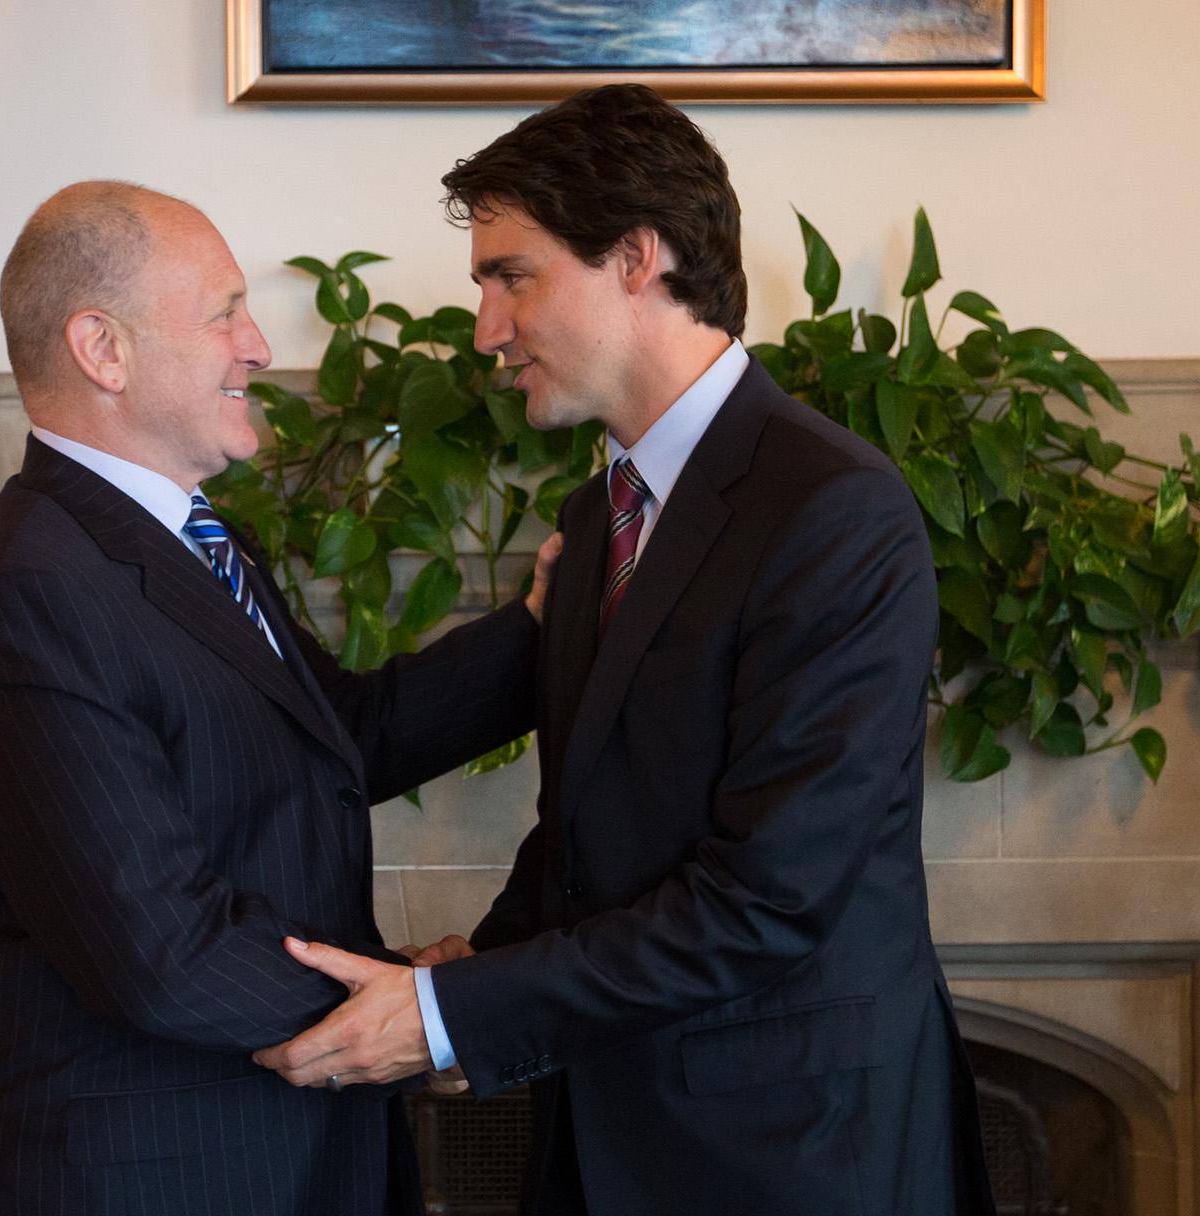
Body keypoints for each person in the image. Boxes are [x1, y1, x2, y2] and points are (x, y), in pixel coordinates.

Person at [254, 86, 996, 1216]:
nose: (487, 331)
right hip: (608, 1128)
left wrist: (454, 1016)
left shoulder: (835, 508)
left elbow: (766, 896)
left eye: (513, 276)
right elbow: (591, 826)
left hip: (793, 1156)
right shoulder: (604, 516)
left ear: (638, 257)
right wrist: (476, 968)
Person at [0, 180, 557, 1216]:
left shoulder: (187, 538)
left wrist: (546, 629)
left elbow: (338, 735)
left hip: (280, 1157)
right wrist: (416, 1008)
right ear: (102, 349)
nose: (259, 347)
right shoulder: (35, 591)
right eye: (224, 311)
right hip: (143, 1175)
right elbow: (161, 950)